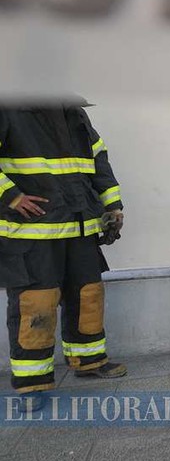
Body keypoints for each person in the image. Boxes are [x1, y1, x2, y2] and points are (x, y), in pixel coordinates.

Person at [0, 100, 127, 412]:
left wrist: (113, 205)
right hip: (34, 233)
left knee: (88, 296)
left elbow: (98, 160)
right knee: (36, 305)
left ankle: (88, 360)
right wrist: (11, 196)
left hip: (80, 225)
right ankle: (32, 383)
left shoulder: (73, 111)